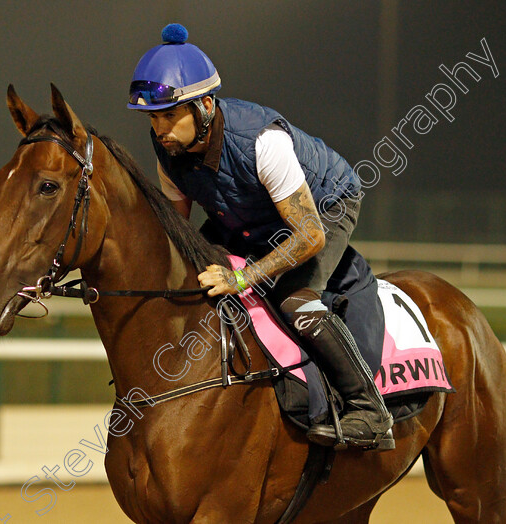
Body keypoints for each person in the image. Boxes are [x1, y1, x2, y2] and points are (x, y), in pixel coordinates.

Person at [127, 24, 393, 450]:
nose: (160, 130)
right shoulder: (170, 151)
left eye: (169, 116)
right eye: (153, 118)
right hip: (251, 212)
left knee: (293, 297)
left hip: (324, 207)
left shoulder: (262, 141)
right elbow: (175, 236)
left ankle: (368, 409)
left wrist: (242, 278)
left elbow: (308, 237)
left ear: (206, 106)